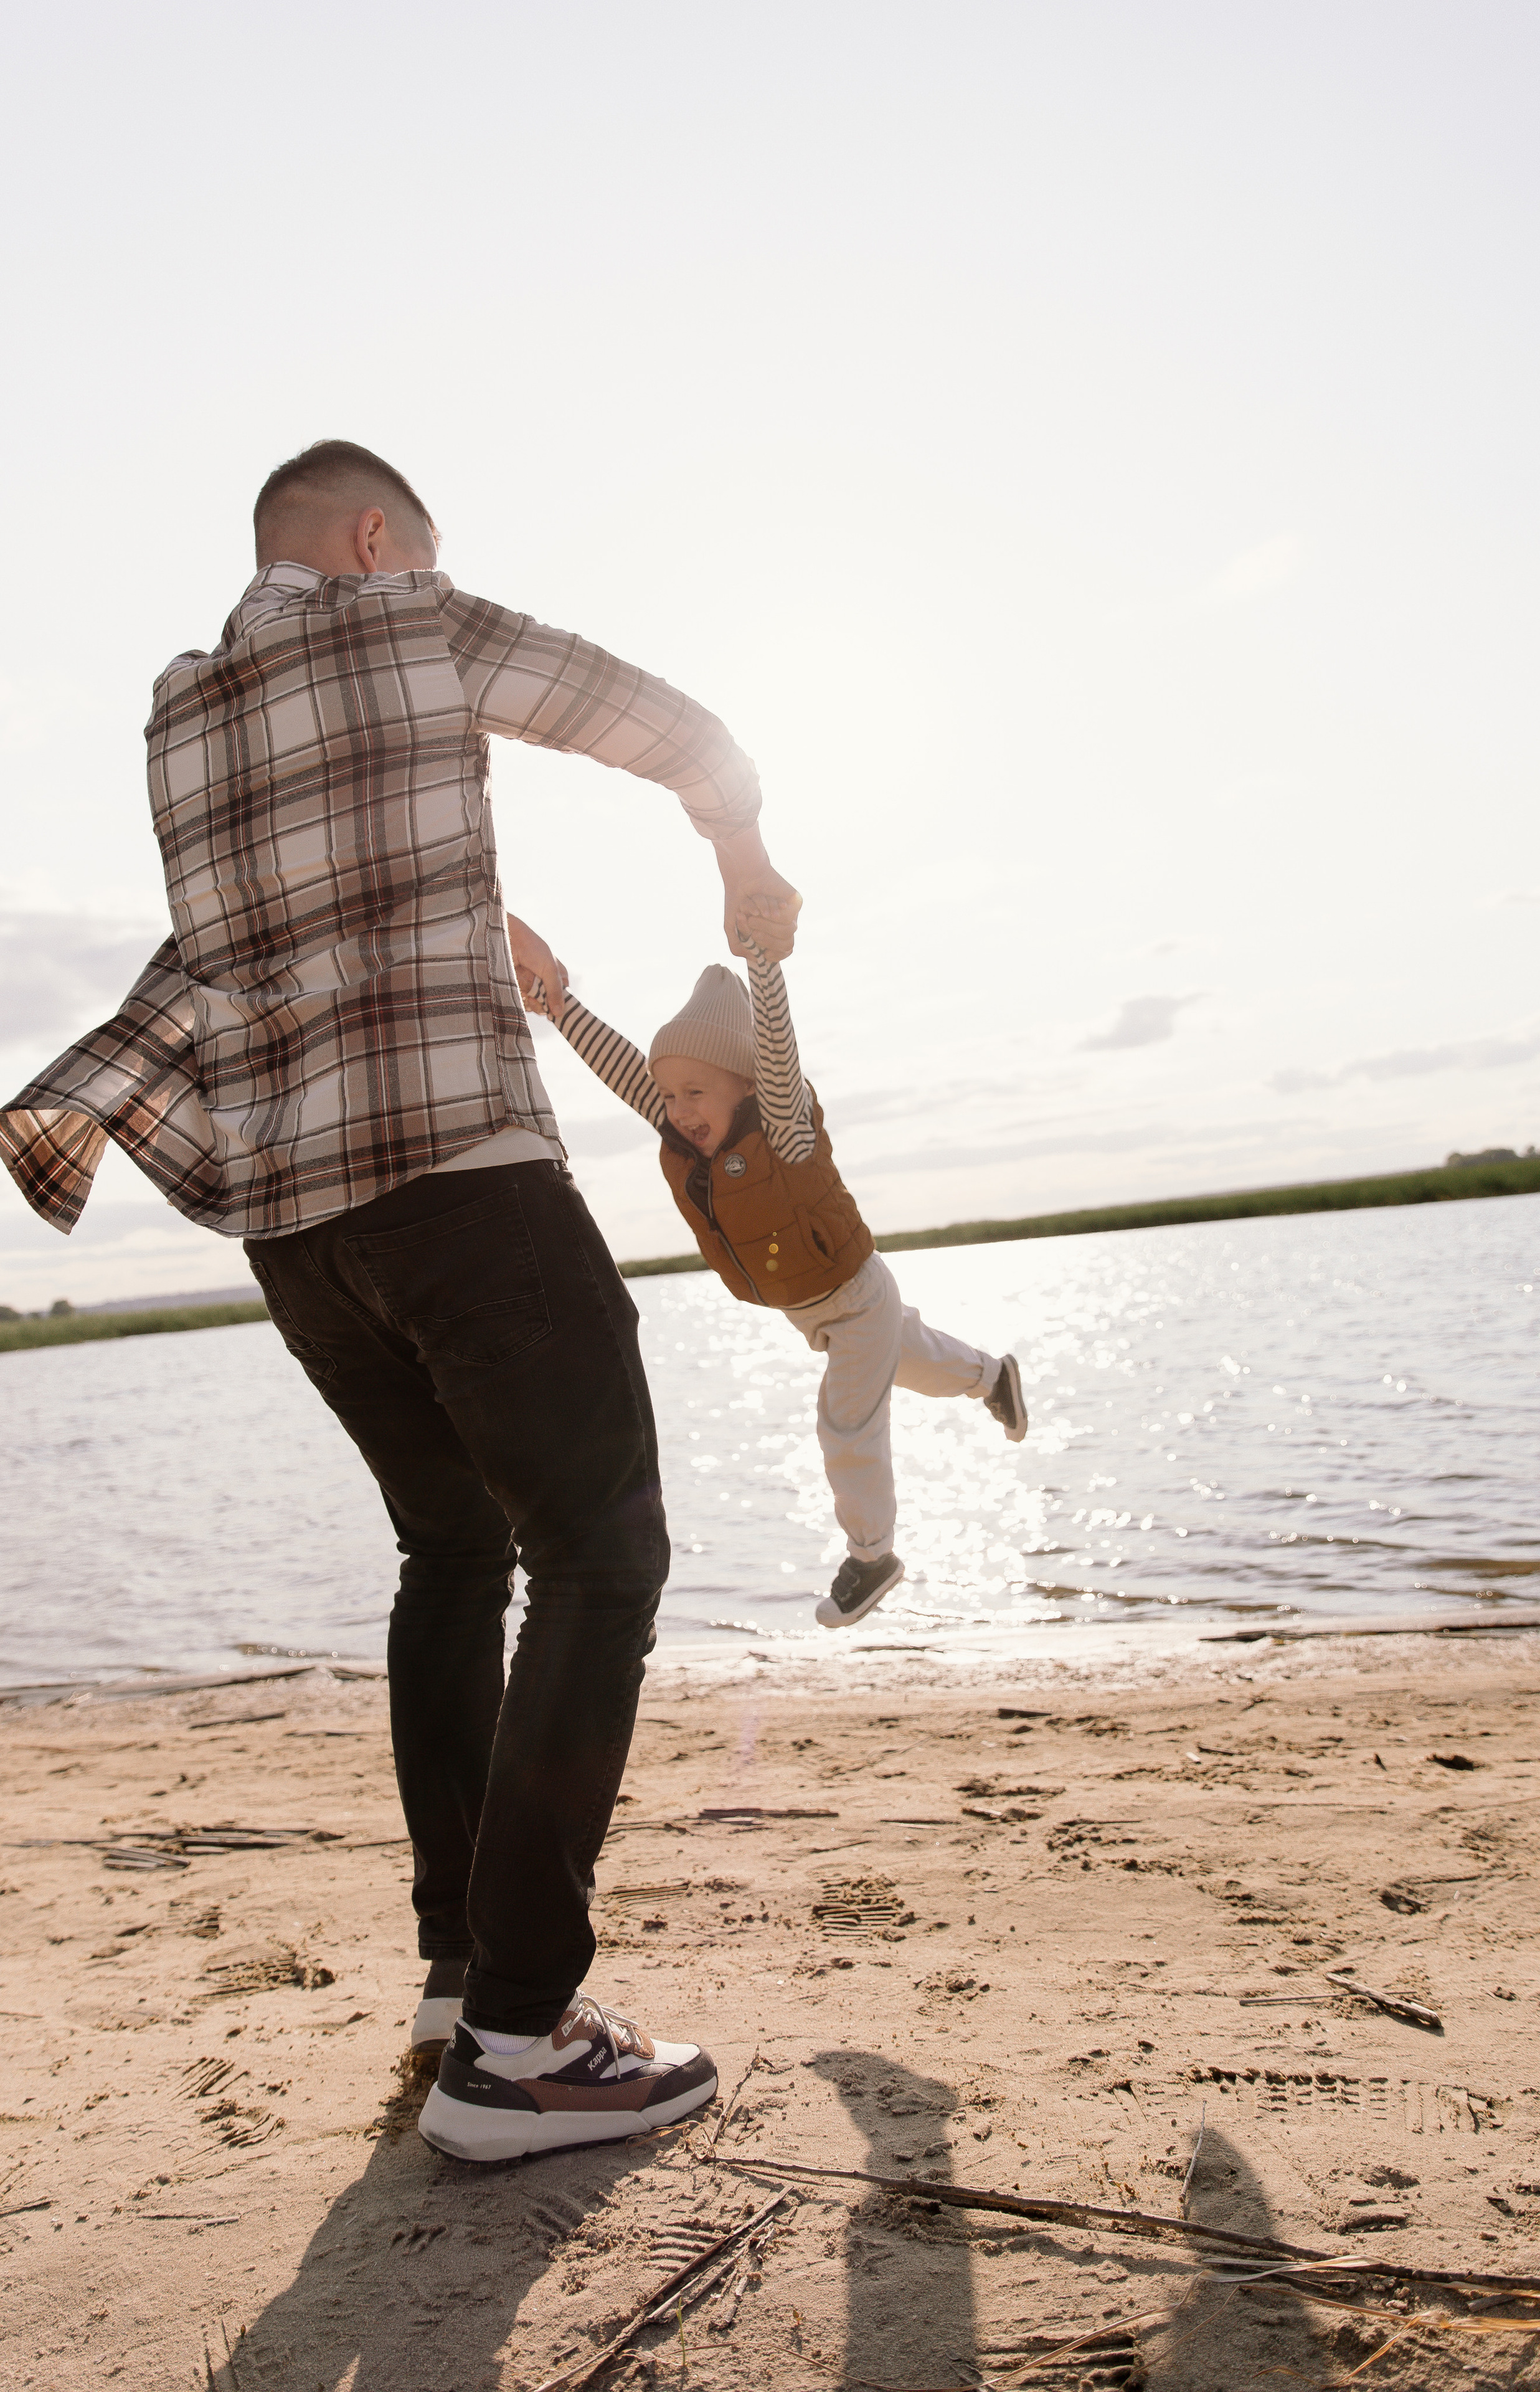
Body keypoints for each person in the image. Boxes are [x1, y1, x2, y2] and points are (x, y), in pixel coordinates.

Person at [0, 439, 801, 2166]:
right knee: (601, 1557)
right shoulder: (411, 622)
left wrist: (470, 910)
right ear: (378, 539)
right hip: (461, 1189)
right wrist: (741, 847)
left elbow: (285, 905)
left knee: (453, 1552)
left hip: (303, 1237)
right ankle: (516, 2041)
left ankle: (459, 1981)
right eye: (416, 552)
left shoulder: (179, 705)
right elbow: (658, 721)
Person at [507, 919, 1026, 1628]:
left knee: (847, 1425)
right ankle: (993, 1379)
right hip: (811, 1309)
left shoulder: (784, 1129)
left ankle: (872, 1555)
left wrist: (762, 962)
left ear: (747, 1085)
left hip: (854, 1298)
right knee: (919, 1361)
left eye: (696, 1092)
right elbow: (623, 1065)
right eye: (670, 1095)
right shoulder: (684, 1131)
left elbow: (778, 1052)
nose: (679, 1110)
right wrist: (561, 1008)